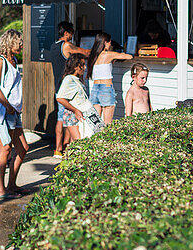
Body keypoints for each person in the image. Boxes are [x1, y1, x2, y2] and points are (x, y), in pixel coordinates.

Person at [0, 29, 27, 198]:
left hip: (14, 111)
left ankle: (11, 184)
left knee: (23, 148)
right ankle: (0, 189)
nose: (22, 45)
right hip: (5, 111)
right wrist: (7, 105)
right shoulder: (0, 62)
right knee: (5, 149)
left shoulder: (14, 60)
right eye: (19, 43)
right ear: (10, 43)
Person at [47, 21, 89, 157]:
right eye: (71, 32)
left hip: (58, 86)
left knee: (61, 119)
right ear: (66, 33)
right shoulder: (67, 45)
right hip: (67, 88)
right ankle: (64, 149)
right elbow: (84, 53)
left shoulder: (54, 46)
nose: (72, 35)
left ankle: (59, 149)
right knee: (66, 120)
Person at [87, 32, 133, 125]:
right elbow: (129, 56)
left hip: (95, 88)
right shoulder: (108, 54)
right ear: (105, 42)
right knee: (107, 123)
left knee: (96, 124)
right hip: (106, 88)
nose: (110, 44)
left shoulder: (93, 55)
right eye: (109, 42)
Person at [56, 54, 95, 144]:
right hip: (72, 114)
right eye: (83, 65)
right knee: (79, 143)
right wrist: (75, 110)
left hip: (79, 113)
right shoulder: (69, 79)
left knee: (75, 144)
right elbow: (60, 98)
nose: (85, 68)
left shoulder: (76, 79)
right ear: (76, 67)